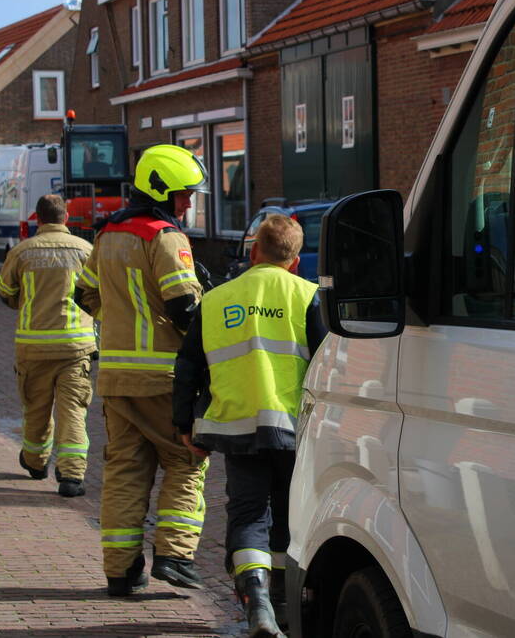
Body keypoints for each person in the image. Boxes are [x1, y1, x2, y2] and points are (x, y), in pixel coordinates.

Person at [173, 214, 326, 638]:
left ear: (254, 250)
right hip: (296, 432)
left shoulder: (217, 299)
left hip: (236, 429)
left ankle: (257, 601)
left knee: (247, 514)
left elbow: (187, 365)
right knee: (290, 519)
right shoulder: (309, 296)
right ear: (294, 261)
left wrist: (184, 422)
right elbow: (328, 367)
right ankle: (282, 605)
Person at [73, 144, 208, 598]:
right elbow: (186, 307)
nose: (188, 203)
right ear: (160, 192)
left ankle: (120, 570)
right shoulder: (164, 237)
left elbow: (84, 295)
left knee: (125, 472)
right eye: (183, 195)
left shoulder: (108, 234)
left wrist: (120, 319)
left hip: (115, 378)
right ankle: (173, 555)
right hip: (163, 379)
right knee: (186, 461)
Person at [0, 194, 96, 497]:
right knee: (73, 411)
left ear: (37, 219)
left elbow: (5, 291)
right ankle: (72, 477)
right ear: (66, 218)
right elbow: (98, 292)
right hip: (75, 347)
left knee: (36, 408)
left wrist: (25, 301)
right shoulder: (86, 250)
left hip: (34, 347)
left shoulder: (22, 252)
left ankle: (36, 462)